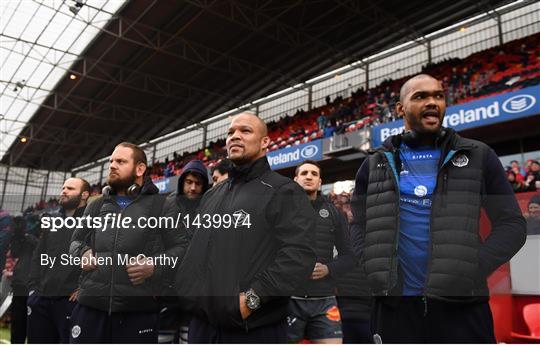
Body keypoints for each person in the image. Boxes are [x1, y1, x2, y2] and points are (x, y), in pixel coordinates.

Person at [351, 74, 527, 343]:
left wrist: (472, 267)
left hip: (462, 307)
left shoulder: (479, 155)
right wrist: (371, 266)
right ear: (400, 109)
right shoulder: (375, 163)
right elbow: (359, 224)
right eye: (420, 97)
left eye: (438, 96)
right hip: (395, 308)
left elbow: (512, 225)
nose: (432, 102)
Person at [176, 112, 316, 343]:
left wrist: (251, 300)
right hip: (202, 326)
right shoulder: (212, 195)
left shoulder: (283, 190)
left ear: (265, 142)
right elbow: (194, 248)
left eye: (245, 131)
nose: (235, 136)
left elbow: (299, 254)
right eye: (231, 132)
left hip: (253, 328)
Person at [69, 142, 187, 343]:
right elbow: (76, 240)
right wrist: (82, 252)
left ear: (140, 169)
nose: (112, 165)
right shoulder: (96, 205)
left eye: (121, 161)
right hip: (90, 308)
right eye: (111, 161)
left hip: (138, 313)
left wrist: (155, 265)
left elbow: (183, 248)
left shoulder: (163, 207)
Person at [287, 160, 355, 344]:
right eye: (304, 173)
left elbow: (350, 256)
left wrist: (328, 269)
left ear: (319, 182)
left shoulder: (334, 214)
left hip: (324, 299)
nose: (309, 176)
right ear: (295, 179)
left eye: (314, 174)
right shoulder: (279, 210)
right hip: (287, 299)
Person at [26, 177, 90, 343]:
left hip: (71, 301)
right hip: (41, 298)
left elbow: (102, 258)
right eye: (63, 188)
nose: (64, 191)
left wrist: (84, 288)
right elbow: (39, 256)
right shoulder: (52, 221)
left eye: (70, 188)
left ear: (84, 195)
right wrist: (33, 288)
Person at [160, 159, 210, 343]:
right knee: (163, 334)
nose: (193, 188)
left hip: (195, 288)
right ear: (182, 182)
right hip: (168, 286)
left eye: (198, 183)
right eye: (189, 182)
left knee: (188, 335)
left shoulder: (210, 207)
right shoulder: (167, 205)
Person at [9, 216, 38, 344]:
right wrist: (18, 235)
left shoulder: (45, 237)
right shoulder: (25, 238)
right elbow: (14, 253)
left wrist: (29, 237)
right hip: (20, 283)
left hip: (37, 286)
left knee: (34, 324)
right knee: (17, 322)